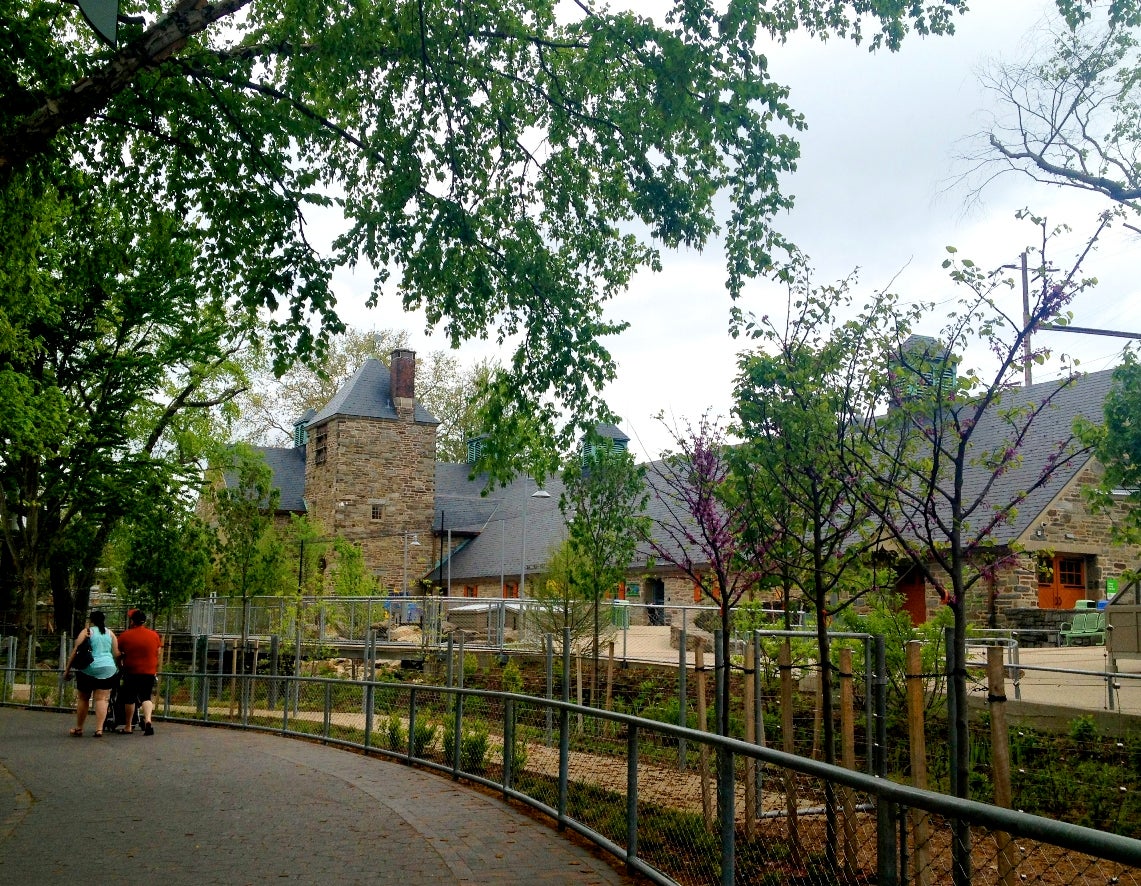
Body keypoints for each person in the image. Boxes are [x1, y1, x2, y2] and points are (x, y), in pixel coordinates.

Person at [64, 610, 119, 737]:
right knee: (102, 699)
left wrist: (67, 670)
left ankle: (79, 728)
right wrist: (119, 667)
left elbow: (76, 651)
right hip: (107, 668)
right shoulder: (110, 633)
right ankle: (99, 729)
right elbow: (116, 653)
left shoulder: (87, 632)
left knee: (83, 698)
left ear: (91, 620)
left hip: (88, 668)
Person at [116, 608, 163, 735]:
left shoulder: (125, 635)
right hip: (148, 671)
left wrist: (120, 665)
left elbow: (118, 653)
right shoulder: (154, 635)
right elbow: (158, 652)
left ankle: (128, 726)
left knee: (130, 698)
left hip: (131, 671)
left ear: (132, 621)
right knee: (146, 697)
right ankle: (148, 720)